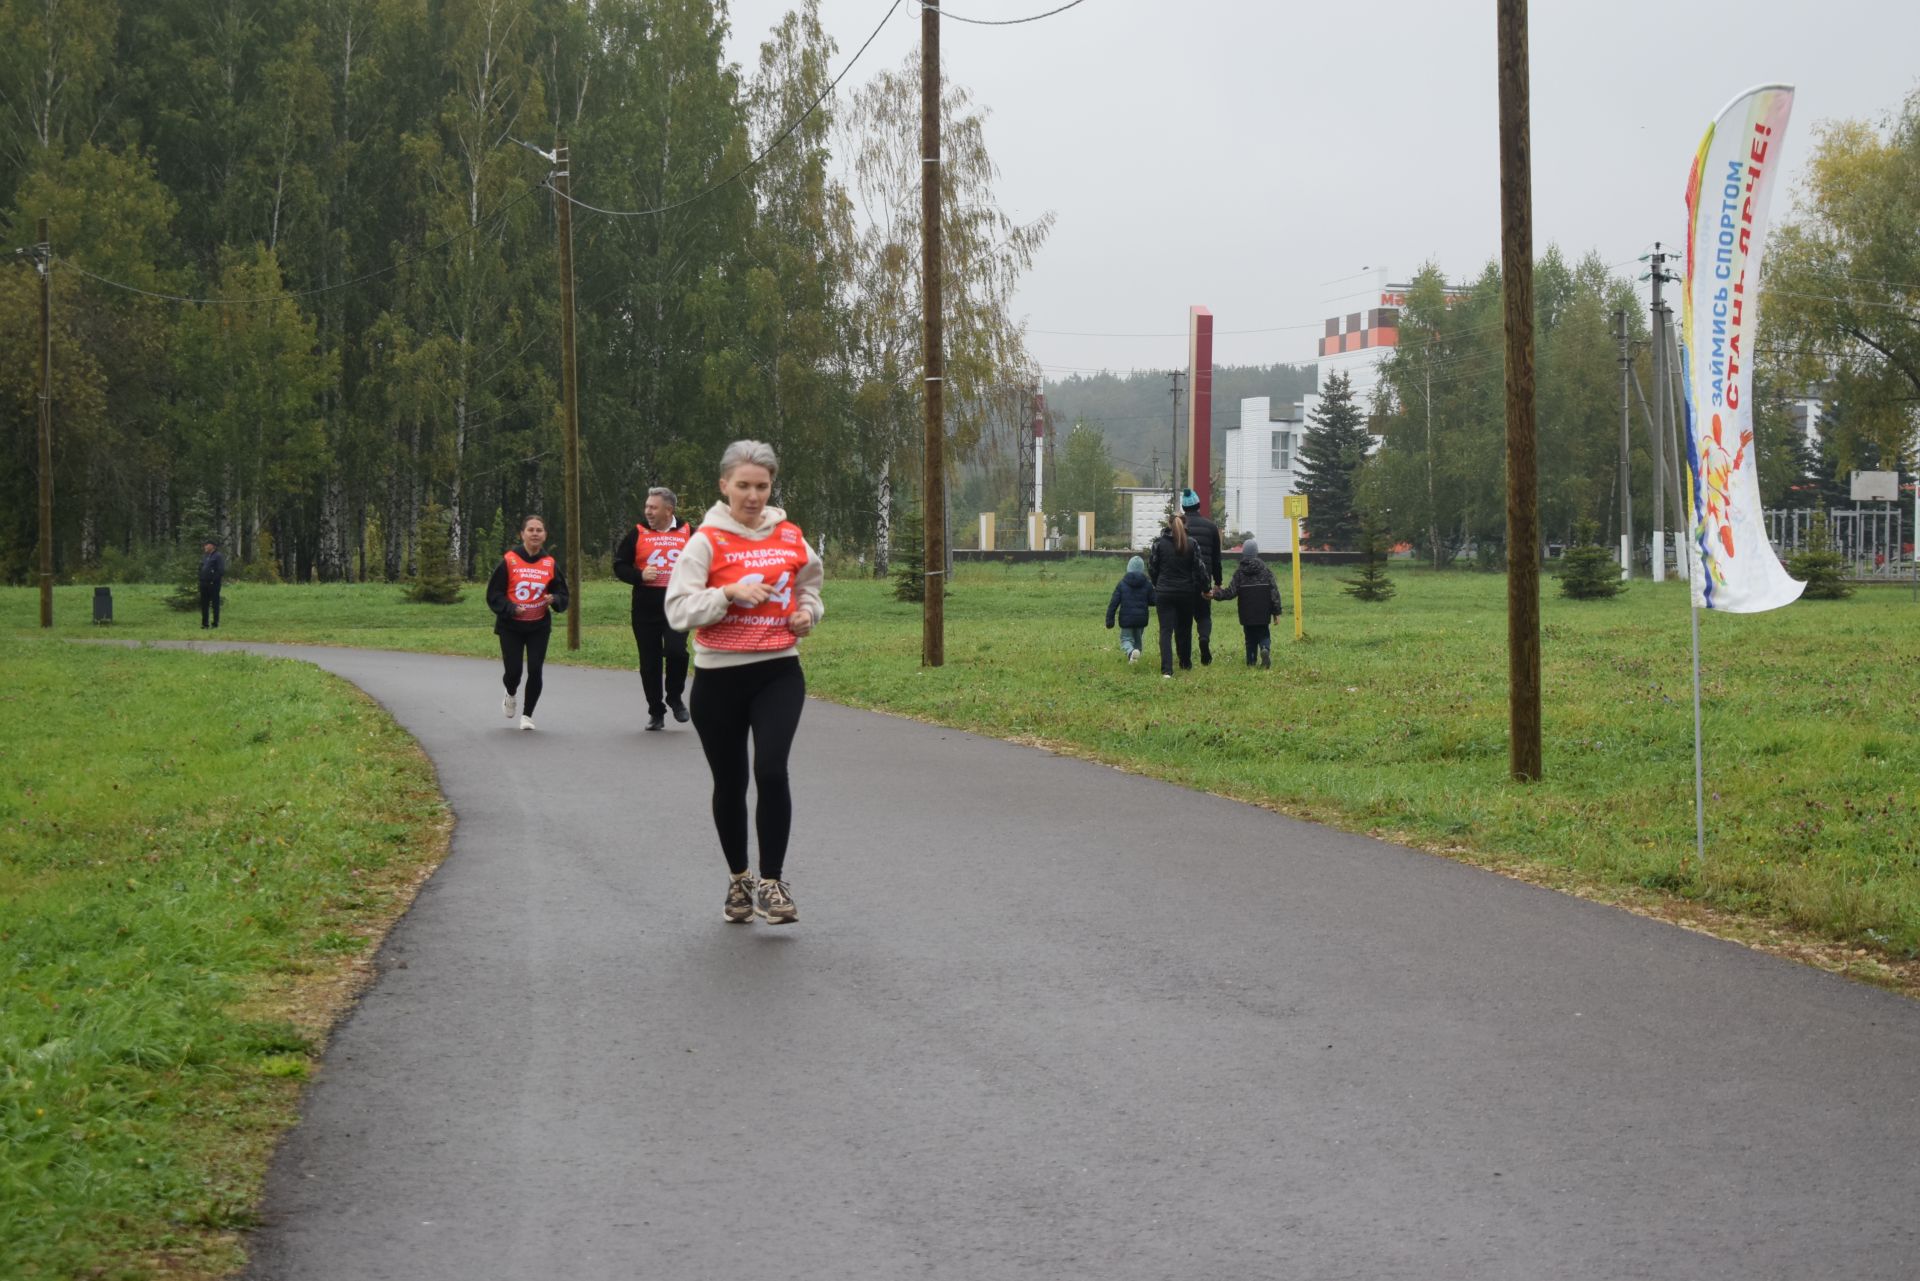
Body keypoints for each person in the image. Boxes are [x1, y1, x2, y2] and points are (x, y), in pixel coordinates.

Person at [665, 440, 824, 925]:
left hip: (778, 671)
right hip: (719, 677)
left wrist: (807, 614)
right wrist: (726, 592)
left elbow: (810, 587)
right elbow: (677, 610)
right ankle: (740, 879)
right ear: (724, 486)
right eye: (743, 486)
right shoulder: (706, 541)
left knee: (772, 771)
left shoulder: (791, 536)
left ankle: (773, 885)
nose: (753, 496)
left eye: (762, 486)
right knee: (730, 782)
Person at [612, 487, 693, 731]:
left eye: (653, 507)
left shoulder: (689, 532)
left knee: (677, 651)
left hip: (678, 604)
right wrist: (639, 575)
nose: (648, 511)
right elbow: (619, 565)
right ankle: (656, 711)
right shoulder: (637, 533)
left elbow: (707, 560)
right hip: (646, 608)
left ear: (669, 510)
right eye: (647, 506)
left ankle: (675, 697)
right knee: (650, 663)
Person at [485, 515, 569, 731]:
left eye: (539, 530)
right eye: (530, 530)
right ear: (522, 534)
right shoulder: (509, 560)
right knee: (513, 672)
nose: (534, 534)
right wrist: (511, 608)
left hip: (538, 626)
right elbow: (493, 593)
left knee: (535, 669)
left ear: (545, 535)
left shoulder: (549, 563)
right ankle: (510, 693)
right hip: (511, 626)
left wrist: (555, 599)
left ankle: (527, 715)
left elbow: (563, 594)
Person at [1147, 514, 1204, 679]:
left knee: (1166, 631)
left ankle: (1166, 669)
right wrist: (1205, 587)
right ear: (1184, 524)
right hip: (1186, 592)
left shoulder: (1158, 543)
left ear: (1168, 524)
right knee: (1184, 629)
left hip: (1164, 592)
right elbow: (1199, 568)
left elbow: (1152, 567)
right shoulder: (1192, 543)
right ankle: (1185, 663)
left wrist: (1158, 583)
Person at [1212, 538, 1283, 668]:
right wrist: (1276, 612)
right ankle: (1265, 648)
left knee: (1250, 639)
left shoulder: (1239, 573)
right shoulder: (1266, 572)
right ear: (1257, 553)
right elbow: (1274, 593)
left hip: (1246, 613)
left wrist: (1215, 594)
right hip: (1263, 612)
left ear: (1243, 554)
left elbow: (1230, 592)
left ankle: (1251, 662)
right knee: (1264, 633)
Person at [1180, 488, 1224, 665]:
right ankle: (1204, 639)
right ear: (1199, 505)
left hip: (1182, 581)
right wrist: (1218, 582)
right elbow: (1216, 558)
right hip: (1204, 581)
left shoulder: (1179, 527)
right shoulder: (1211, 527)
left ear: (1183, 507)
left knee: (1183, 620)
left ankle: (1185, 658)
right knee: (1204, 616)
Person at [1104, 554, 1155, 663]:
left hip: (1126, 619)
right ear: (1142, 569)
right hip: (1141, 619)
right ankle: (1135, 656)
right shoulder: (1147, 584)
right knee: (1138, 639)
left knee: (1126, 639)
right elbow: (1153, 601)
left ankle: (1130, 651)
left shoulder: (1122, 584)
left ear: (1128, 568)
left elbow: (1114, 603)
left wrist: (1109, 619)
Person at [198, 539, 226, 629]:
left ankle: (215, 623)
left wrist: (213, 580)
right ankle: (205, 623)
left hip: (213, 584)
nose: (205, 547)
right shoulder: (206, 556)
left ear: (212, 546)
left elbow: (221, 570)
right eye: (205, 545)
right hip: (203, 583)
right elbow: (201, 567)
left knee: (215, 604)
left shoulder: (218, 556)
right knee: (204, 604)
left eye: (207, 545)